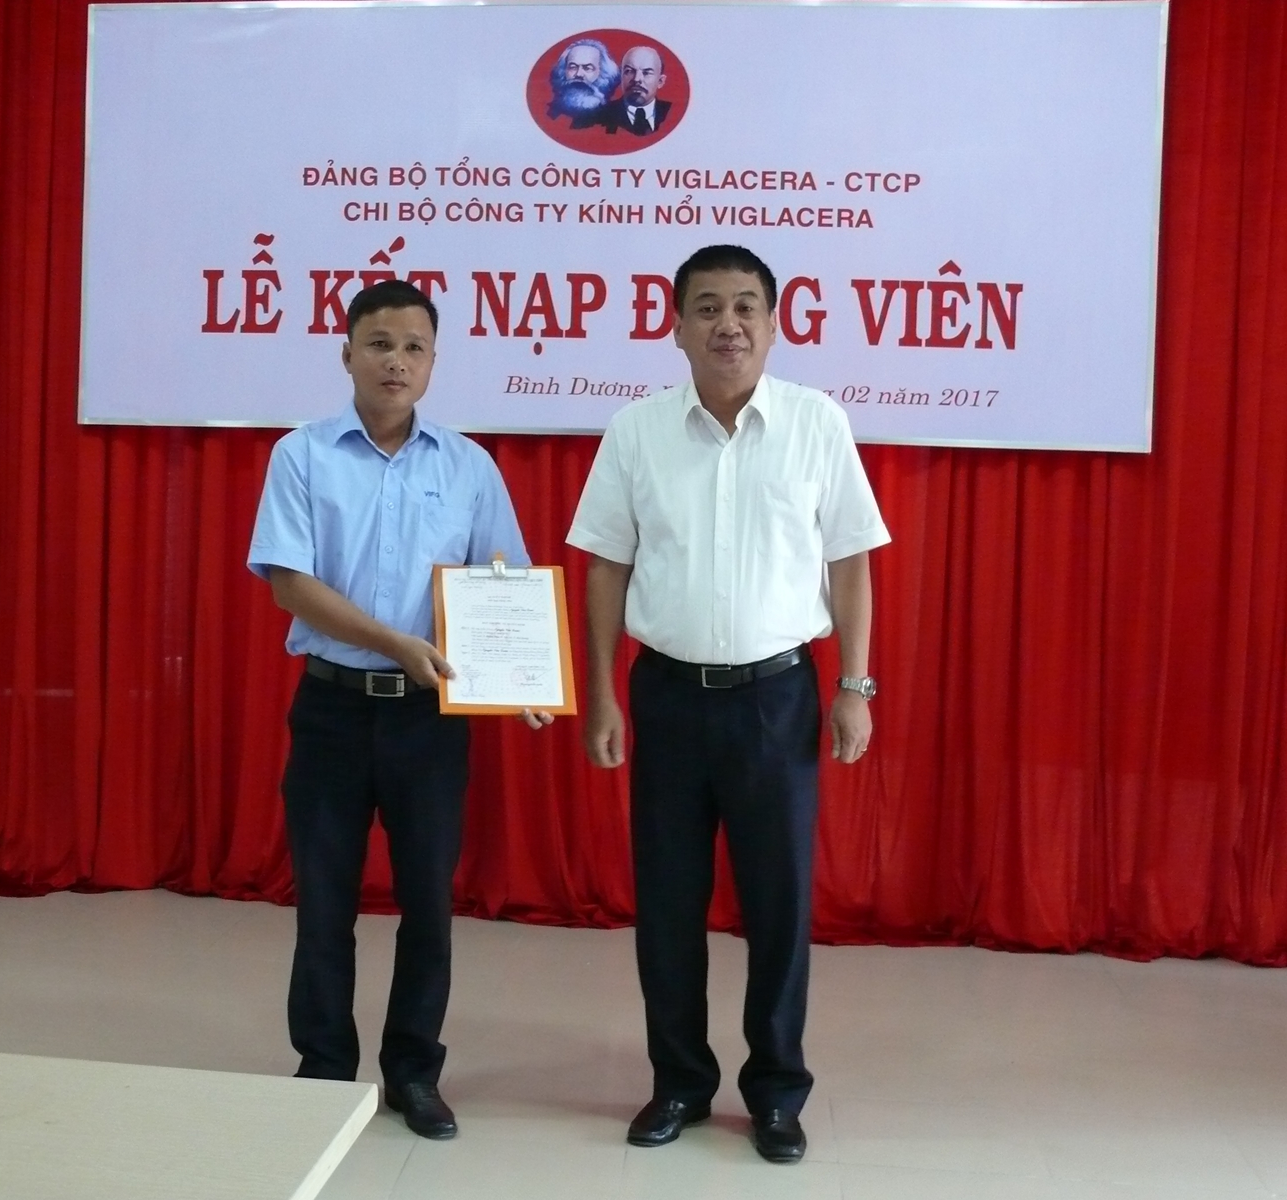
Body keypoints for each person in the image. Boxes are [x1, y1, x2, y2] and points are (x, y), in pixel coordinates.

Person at [566, 245, 889, 1163]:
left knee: (779, 906)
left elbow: (850, 562)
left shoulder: (817, 424)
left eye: (746, 306)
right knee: (668, 905)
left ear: (775, 323)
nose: (728, 324)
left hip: (776, 699)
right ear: (675, 327)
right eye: (706, 307)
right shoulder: (636, 431)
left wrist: (854, 685)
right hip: (666, 697)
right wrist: (602, 694)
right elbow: (607, 566)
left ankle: (777, 1092)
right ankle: (678, 1083)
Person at [248, 279, 550, 1140]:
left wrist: (522, 677)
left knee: (428, 906)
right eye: (379, 344)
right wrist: (396, 643)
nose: (396, 361)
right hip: (333, 712)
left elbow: (502, 585)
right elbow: (291, 586)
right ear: (347, 353)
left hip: (427, 722)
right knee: (324, 904)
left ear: (433, 361)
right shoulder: (302, 455)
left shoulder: (468, 467)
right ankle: (323, 1070)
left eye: (414, 347)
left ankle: (413, 1072)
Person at [588, 46, 672, 137]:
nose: (636, 79)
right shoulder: (597, 117)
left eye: (646, 73)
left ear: (660, 81)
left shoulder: (672, 113)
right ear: (621, 77)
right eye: (629, 71)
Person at [546, 37, 618, 124]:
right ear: (564, 71)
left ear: (602, 73)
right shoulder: (549, 114)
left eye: (587, 68)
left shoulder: (613, 118)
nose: (579, 74)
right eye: (573, 67)